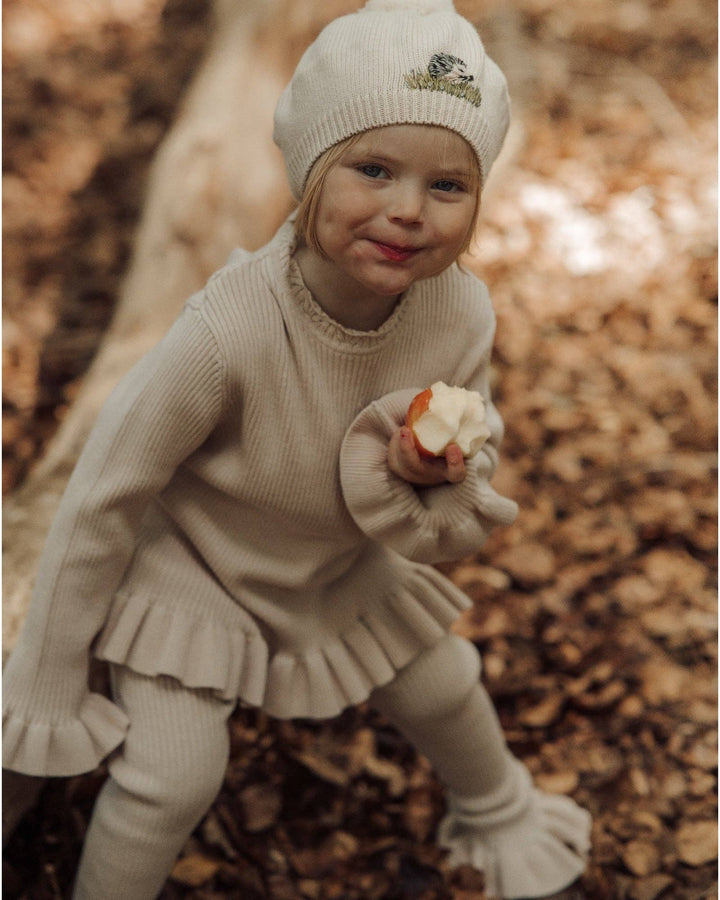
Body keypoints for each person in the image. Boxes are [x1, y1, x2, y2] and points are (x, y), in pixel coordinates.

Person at [2, 0, 592, 896]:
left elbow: (472, 445)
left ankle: (501, 812)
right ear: (312, 167)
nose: (405, 211)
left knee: (443, 680)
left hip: (330, 558)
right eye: (373, 168)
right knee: (174, 773)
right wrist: (46, 674)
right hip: (192, 569)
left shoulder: (458, 311)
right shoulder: (230, 327)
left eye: (446, 186)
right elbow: (105, 492)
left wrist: (435, 473)